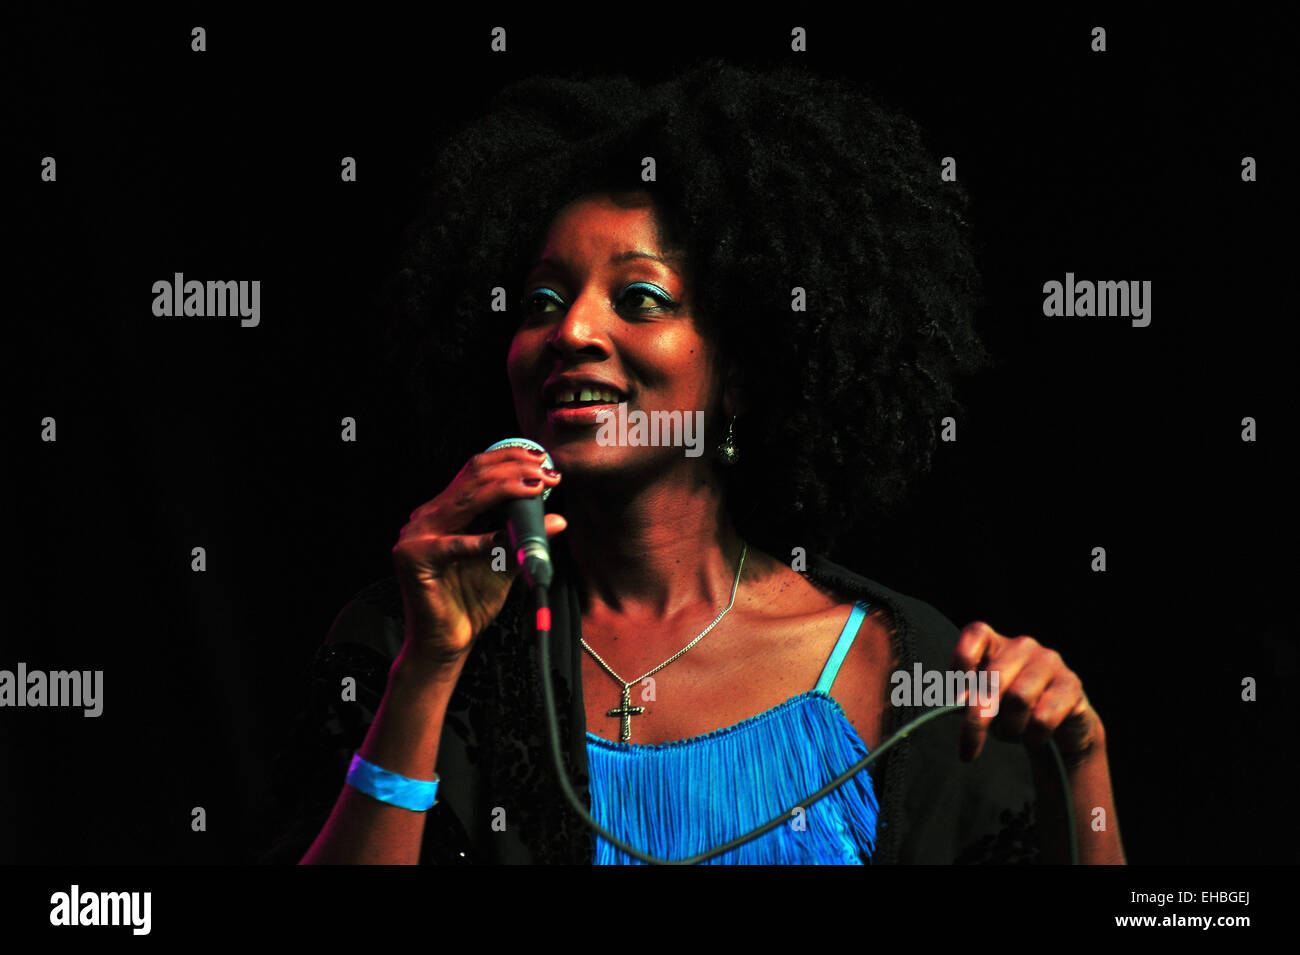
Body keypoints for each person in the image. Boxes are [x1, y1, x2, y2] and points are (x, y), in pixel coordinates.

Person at [264, 60, 1125, 865]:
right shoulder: (404, 636)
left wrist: (1079, 755)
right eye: (540, 302)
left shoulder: (902, 666)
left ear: (743, 368)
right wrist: (429, 666)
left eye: (639, 298)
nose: (570, 332)